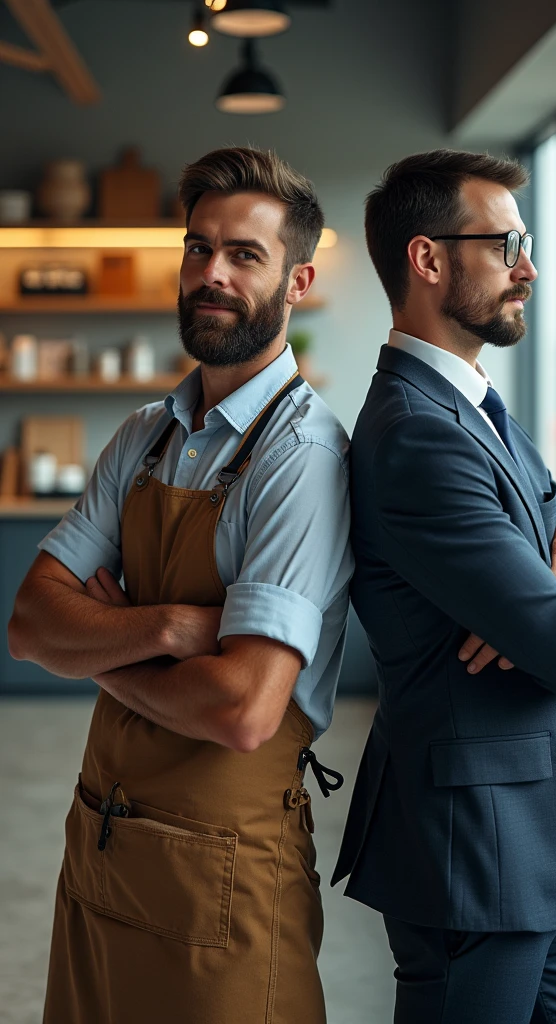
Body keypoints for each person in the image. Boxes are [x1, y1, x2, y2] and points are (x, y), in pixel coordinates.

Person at [9, 146, 353, 1024]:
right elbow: (30, 623)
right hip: (105, 848)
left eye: (245, 255)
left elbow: (242, 708)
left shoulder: (303, 457)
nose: (212, 274)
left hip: (223, 882)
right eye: (199, 248)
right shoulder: (143, 435)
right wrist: (166, 628)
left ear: (298, 280)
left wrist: (101, 650)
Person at [332, 149, 556, 1024]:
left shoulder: (478, 412)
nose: (529, 267)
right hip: (478, 851)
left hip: (540, 850)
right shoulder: (417, 436)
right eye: (506, 243)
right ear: (428, 259)